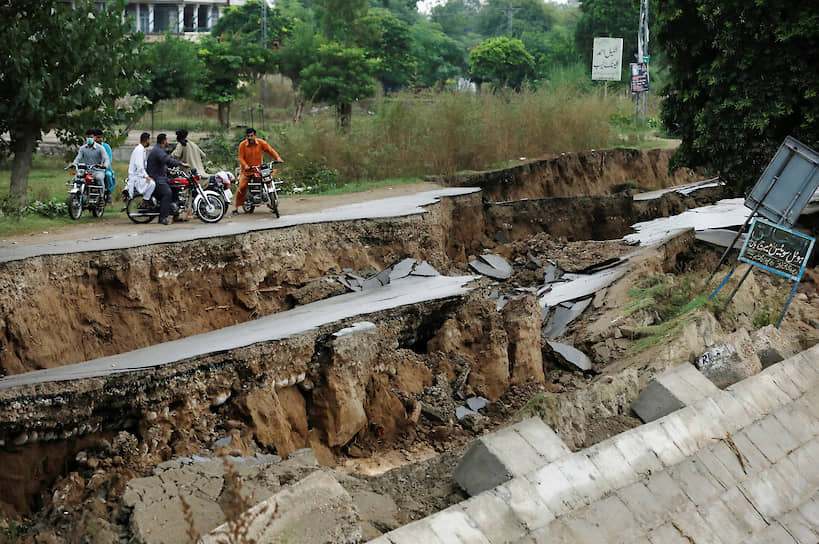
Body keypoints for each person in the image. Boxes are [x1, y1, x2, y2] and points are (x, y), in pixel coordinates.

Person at [234, 127, 282, 215]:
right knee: (242, 187)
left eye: (251, 136)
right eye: (248, 136)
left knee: (267, 181)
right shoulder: (242, 145)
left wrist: (277, 158)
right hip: (247, 171)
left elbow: (270, 150)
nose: (250, 138)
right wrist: (246, 166)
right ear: (246, 136)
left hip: (259, 170)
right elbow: (240, 158)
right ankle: (236, 208)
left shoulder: (261, 143)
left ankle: (271, 204)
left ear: (255, 136)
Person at [146, 133, 188, 225]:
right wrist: (180, 164)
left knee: (175, 188)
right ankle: (162, 218)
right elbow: (167, 160)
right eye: (166, 140)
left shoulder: (159, 150)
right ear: (163, 141)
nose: (167, 142)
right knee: (167, 193)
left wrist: (170, 172)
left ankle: (175, 215)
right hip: (156, 178)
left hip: (162, 177)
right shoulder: (158, 151)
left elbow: (162, 165)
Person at [127, 132, 156, 208]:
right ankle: (144, 203)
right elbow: (139, 166)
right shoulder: (139, 150)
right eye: (149, 140)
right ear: (146, 140)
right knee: (152, 184)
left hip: (138, 176)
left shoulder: (141, 149)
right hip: (137, 177)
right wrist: (146, 176)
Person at [93, 129, 115, 204]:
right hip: (92, 169)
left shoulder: (106, 147)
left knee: (108, 175)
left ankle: (108, 194)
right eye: (97, 137)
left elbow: (108, 158)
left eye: (100, 137)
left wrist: (104, 165)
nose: (99, 139)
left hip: (105, 169)